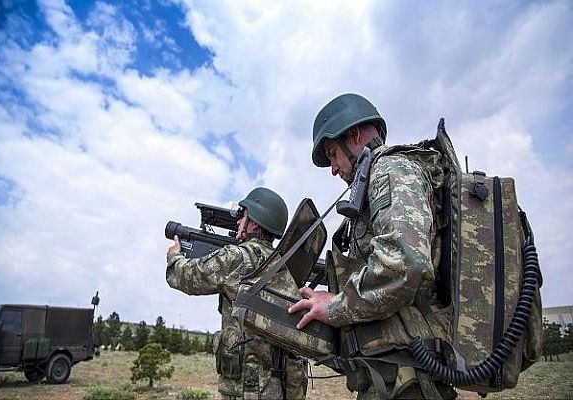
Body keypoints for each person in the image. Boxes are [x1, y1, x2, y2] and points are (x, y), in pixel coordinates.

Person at [288, 93, 456, 399]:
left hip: (409, 379)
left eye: (332, 154)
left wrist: (335, 306)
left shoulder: (390, 169)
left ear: (353, 136)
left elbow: (404, 265)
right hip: (392, 376)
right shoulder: (373, 183)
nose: (334, 169)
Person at [166, 187, 308, 400]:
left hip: (245, 388)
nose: (238, 221)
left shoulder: (238, 257)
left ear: (254, 223)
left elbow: (188, 277)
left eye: (243, 215)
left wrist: (174, 257)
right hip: (275, 385)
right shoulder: (281, 263)